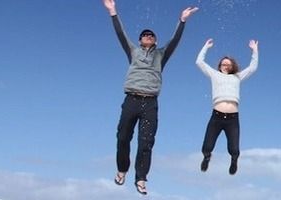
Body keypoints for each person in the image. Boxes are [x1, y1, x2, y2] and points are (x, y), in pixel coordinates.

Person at [103, 0, 197, 195]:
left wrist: (182, 21)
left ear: (155, 40)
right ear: (139, 41)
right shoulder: (134, 51)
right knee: (123, 137)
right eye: (144, 35)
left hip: (150, 103)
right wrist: (113, 12)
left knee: (146, 142)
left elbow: (174, 41)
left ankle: (141, 178)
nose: (148, 36)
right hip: (132, 100)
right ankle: (122, 169)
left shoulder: (161, 55)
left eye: (151, 35)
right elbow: (121, 34)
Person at [195, 38, 259, 175]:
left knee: (234, 147)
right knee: (207, 145)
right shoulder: (214, 75)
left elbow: (253, 68)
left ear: (233, 67)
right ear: (220, 66)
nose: (226, 66)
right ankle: (207, 157)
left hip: (232, 118)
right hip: (216, 116)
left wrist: (255, 51)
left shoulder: (237, 77)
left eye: (229, 65)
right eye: (224, 64)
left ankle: (234, 160)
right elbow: (199, 62)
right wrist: (205, 47)